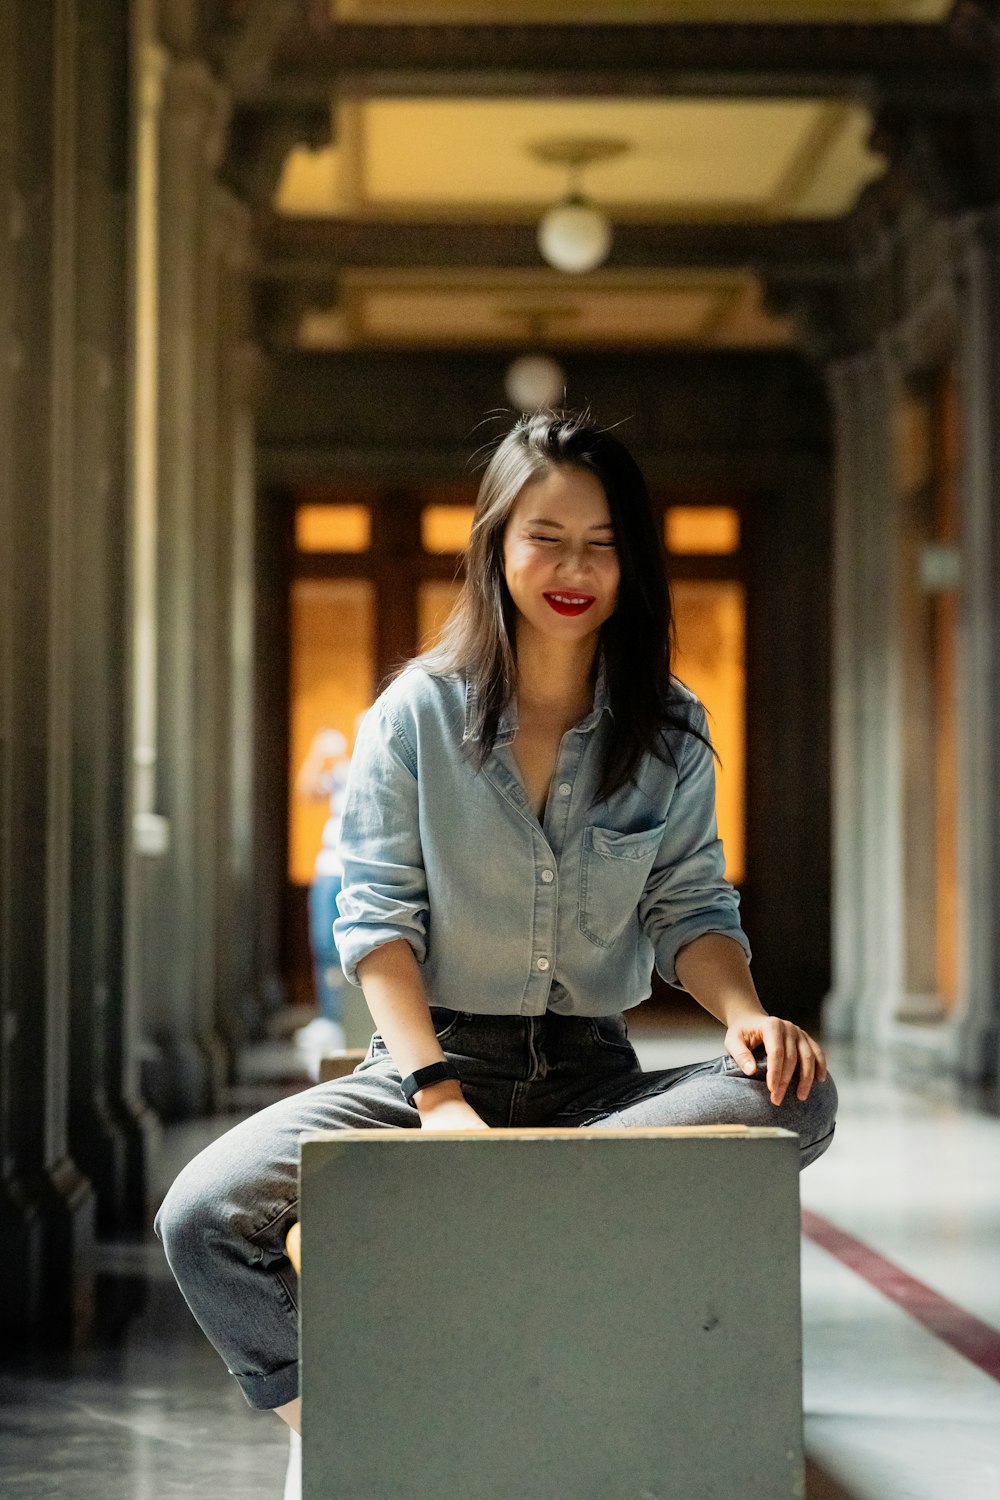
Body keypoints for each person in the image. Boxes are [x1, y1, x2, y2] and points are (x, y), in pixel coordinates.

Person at [155, 410, 837, 1460]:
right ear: (496, 546)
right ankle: (365, 1439)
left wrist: (749, 1017)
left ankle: (521, 1187)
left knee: (799, 1095)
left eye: (601, 542)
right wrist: (437, 1103)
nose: (574, 567)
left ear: (631, 559)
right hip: (426, 1074)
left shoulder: (670, 728)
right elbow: (376, 920)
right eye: (545, 537)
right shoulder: (413, 718)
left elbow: (691, 910)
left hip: (596, 1086)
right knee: (201, 1215)